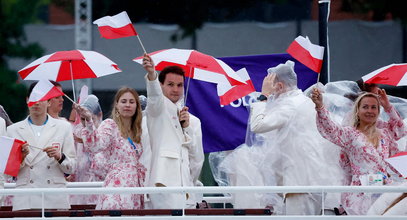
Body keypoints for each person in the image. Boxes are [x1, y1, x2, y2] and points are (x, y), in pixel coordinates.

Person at [249, 61, 333, 215]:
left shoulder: (289, 105)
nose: (272, 93)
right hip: (310, 179)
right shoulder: (303, 101)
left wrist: (263, 96)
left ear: (280, 86)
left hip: (299, 182)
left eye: (271, 87)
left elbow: (257, 125)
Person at [311, 88, 406, 215]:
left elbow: (400, 131)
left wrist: (387, 106)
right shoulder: (350, 134)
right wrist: (320, 106)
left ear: (378, 111)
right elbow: (330, 130)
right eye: (365, 107)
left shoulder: (385, 134)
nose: (370, 111)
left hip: (384, 190)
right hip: (360, 193)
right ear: (357, 111)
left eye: (374, 107)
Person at [142, 54, 204, 209]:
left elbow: (197, 159)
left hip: (187, 189)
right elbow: (155, 97)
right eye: (170, 84)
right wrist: (151, 75)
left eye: (179, 85)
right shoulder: (156, 111)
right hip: (162, 184)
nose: (176, 89)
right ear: (161, 85)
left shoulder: (194, 121)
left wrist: (186, 128)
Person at [7, 81, 76, 211]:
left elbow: (71, 167)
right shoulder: (12, 130)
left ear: (49, 102)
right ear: (27, 100)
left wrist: (59, 156)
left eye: (41, 99)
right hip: (26, 198)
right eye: (33, 98)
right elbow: (9, 172)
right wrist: (21, 158)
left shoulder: (64, 127)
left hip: (54, 197)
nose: (36, 103)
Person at [74, 87, 146, 210]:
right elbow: (95, 146)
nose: (127, 105)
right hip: (116, 189)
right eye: (123, 101)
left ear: (137, 106)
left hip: (135, 188)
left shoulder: (138, 130)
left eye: (131, 102)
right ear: (116, 105)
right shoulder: (110, 125)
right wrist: (89, 122)